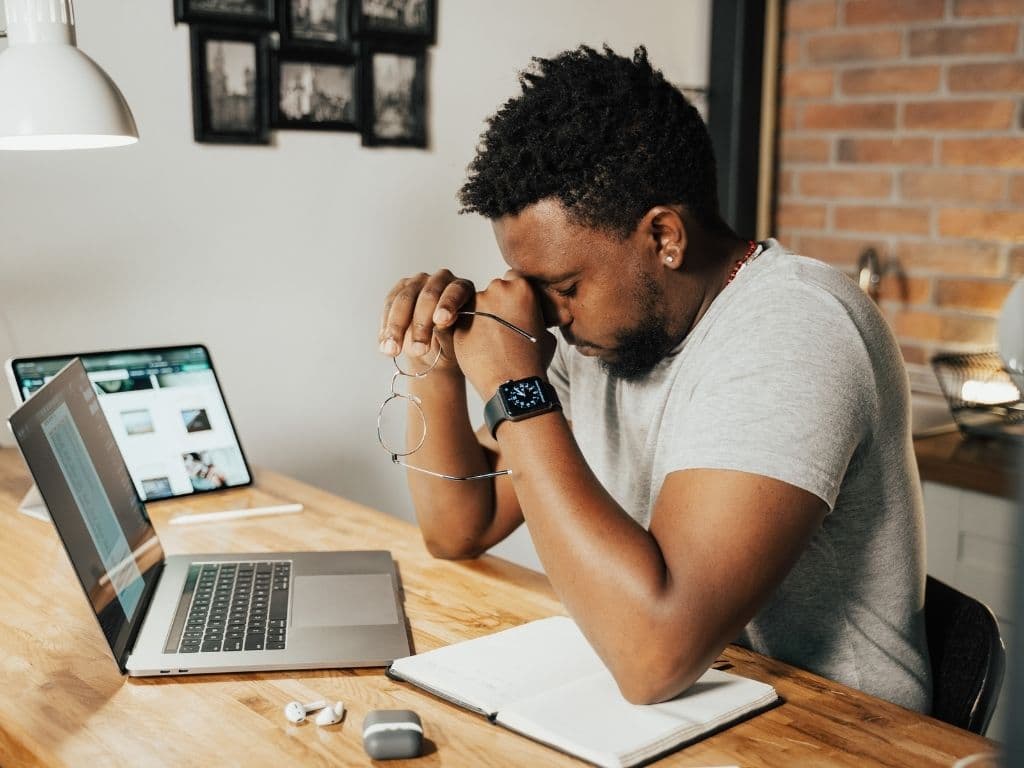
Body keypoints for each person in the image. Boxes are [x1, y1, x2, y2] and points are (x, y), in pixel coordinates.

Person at [377, 45, 931, 711]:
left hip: (845, 735)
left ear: (664, 236)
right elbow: (457, 527)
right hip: (694, 711)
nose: (549, 320)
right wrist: (435, 361)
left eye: (563, 287)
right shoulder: (611, 338)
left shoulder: (794, 327)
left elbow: (653, 657)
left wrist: (514, 389)